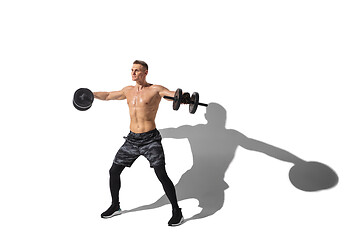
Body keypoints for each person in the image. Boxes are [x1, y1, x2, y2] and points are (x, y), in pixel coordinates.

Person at [93, 60, 185, 226]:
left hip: (151, 140)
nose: (133, 73)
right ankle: (115, 206)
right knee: (114, 171)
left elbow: (171, 95)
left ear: (145, 72)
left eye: (137, 70)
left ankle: (177, 212)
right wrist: (90, 94)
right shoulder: (128, 91)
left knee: (161, 174)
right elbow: (107, 95)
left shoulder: (155, 89)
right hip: (132, 140)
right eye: (132, 70)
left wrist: (184, 98)